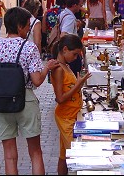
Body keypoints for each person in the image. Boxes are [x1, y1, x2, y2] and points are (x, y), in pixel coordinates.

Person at [0, 7, 59, 175]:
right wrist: (47, 68)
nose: (28, 29)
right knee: (35, 152)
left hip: (1, 102)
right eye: (27, 26)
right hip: (26, 101)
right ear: (19, 26)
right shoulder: (29, 47)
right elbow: (37, 81)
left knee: (9, 156)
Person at [50, 34, 92, 175]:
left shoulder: (65, 66)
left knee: (64, 155)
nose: (75, 58)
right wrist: (78, 85)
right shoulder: (59, 69)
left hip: (71, 115)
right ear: (65, 49)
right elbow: (60, 98)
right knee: (74, 152)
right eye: (74, 55)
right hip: (65, 117)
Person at [59, 0, 84, 76]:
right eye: (80, 5)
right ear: (74, 5)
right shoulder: (70, 18)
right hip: (71, 52)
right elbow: (63, 34)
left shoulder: (64, 13)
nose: (80, 7)